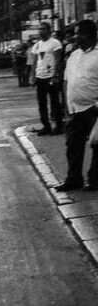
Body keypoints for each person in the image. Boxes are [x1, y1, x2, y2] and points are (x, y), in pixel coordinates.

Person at [56, 20, 98, 191]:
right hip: (75, 109)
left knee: (97, 145)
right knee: (73, 146)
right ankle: (74, 179)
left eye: (78, 33)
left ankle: (94, 180)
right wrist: (66, 104)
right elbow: (67, 80)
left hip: (94, 109)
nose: (75, 37)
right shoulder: (74, 55)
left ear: (88, 35)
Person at [29, 22, 64, 136]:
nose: (40, 31)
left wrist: (55, 75)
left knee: (55, 102)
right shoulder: (37, 45)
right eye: (39, 29)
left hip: (51, 76)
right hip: (40, 76)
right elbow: (34, 62)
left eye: (43, 29)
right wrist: (33, 76)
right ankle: (46, 126)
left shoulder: (55, 43)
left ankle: (59, 126)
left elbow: (58, 60)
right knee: (41, 103)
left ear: (49, 30)